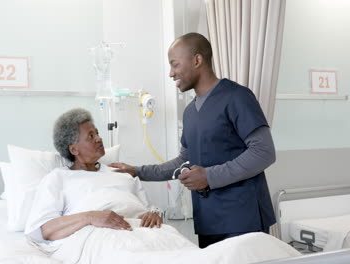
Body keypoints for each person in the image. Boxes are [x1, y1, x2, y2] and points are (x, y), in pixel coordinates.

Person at [110, 32, 277, 248]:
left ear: (197, 60)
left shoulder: (237, 97)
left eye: (175, 65)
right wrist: (136, 171)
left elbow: (263, 152)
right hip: (208, 221)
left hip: (242, 217)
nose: (171, 73)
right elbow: (184, 162)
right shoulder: (190, 112)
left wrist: (209, 176)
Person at [25, 108, 162, 243]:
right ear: (74, 149)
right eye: (91, 136)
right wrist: (90, 217)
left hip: (144, 231)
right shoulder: (58, 178)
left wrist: (153, 215)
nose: (99, 139)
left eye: (97, 133)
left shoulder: (120, 173)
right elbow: (47, 229)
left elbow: (150, 209)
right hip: (99, 235)